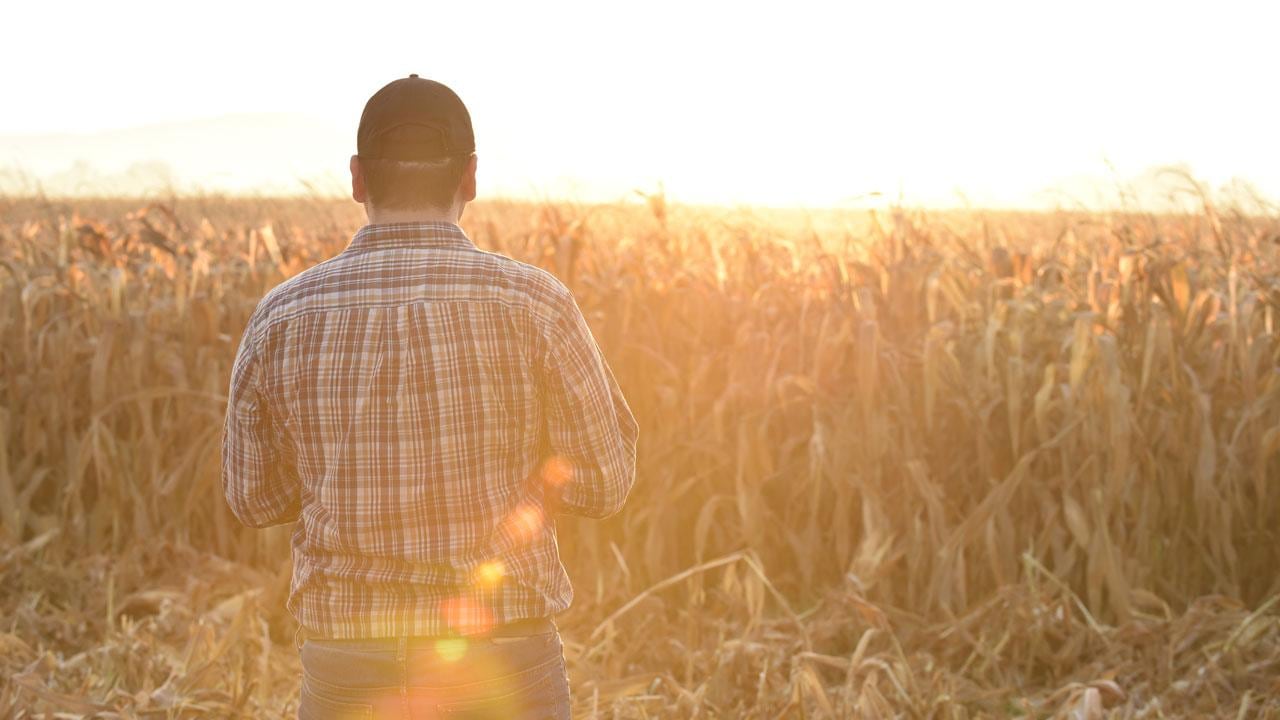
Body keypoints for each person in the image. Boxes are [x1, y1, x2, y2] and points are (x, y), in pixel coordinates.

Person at [221, 74, 638, 720]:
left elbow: (254, 499)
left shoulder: (282, 315)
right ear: (470, 178)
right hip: (502, 661)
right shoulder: (535, 303)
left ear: (357, 179)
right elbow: (603, 486)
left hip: (347, 668)